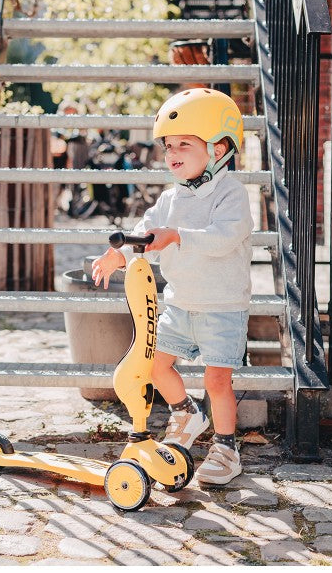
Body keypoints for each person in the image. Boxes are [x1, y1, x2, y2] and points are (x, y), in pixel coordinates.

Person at [92, 88, 253, 486]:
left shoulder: (232, 194)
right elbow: (146, 237)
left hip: (222, 306)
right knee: (155, 365)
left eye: (185, 143)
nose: (173, 152)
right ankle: (186, 412)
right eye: (168, 146)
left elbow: (223, 239)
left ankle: (226, 447)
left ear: (218, 151)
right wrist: (120, 255)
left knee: (217, 380)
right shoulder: (167, 200)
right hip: (180, 304)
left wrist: (178, 236)